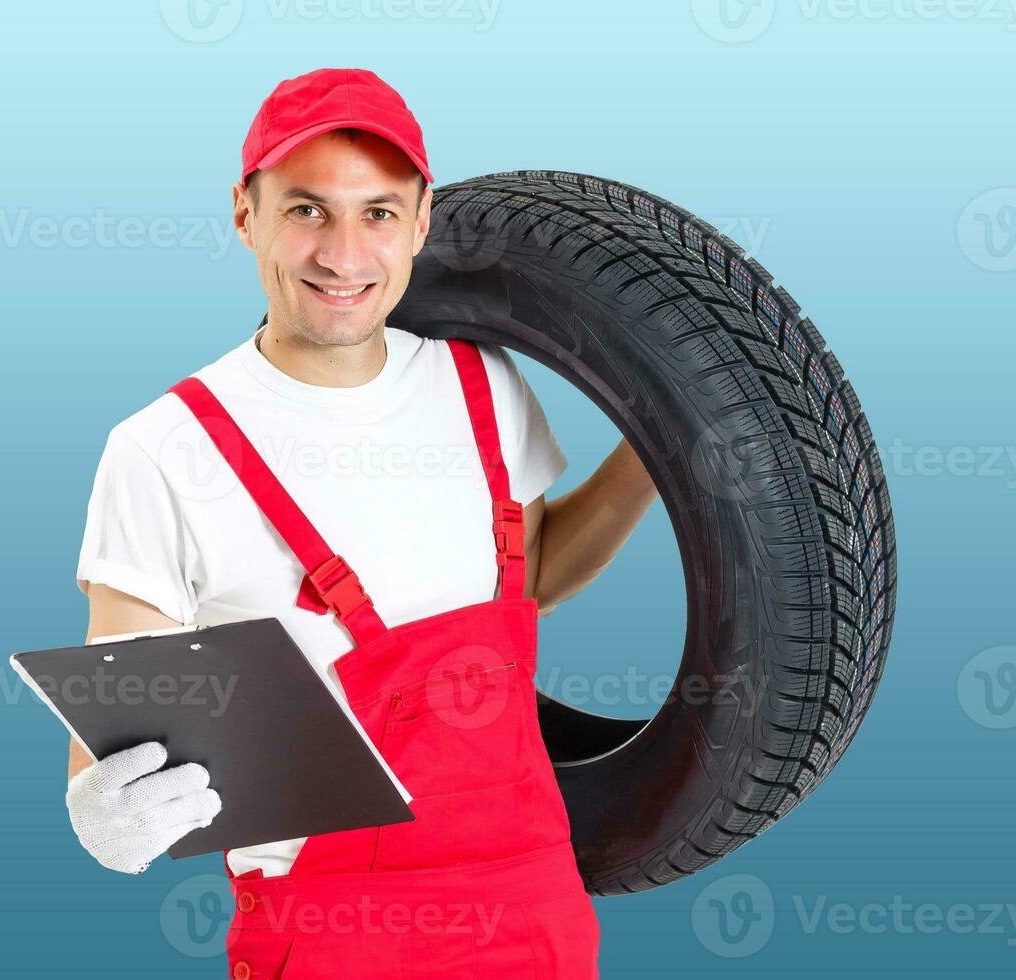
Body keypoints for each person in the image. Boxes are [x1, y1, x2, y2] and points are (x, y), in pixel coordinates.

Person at [64, 67, 653, 978]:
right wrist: (107, 813)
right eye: (306, 209)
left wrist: (665, 452)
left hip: (536, 920)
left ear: (421, 222)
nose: (343, 253)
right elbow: (116, 740)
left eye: (377, 213)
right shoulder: (164, 450)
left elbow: (528, 576)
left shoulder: (481, 386)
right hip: (332, 935)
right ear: (244, 213)